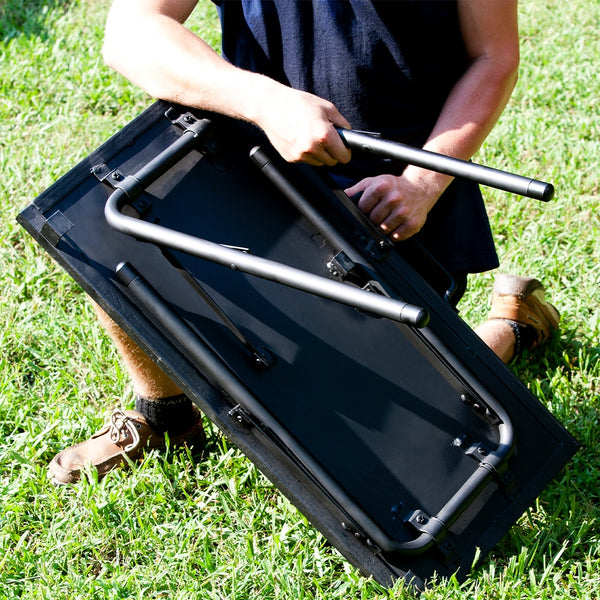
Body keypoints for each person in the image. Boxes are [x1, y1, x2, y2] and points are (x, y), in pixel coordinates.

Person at [48, 0, 559, 484]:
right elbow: (130, 33)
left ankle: (511, 322)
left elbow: (494, 57)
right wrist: (264, 101)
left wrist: (420, 183)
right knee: (112, 245)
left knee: (395, 413)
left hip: (391, 206)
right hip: (251, 168)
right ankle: (164, 413)